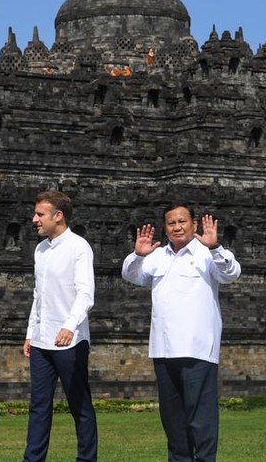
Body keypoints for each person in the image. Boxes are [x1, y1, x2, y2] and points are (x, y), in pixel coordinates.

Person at [122, 204, 241, 462]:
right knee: (174, 423)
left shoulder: (206, 253)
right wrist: (138, 255)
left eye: (182, 221)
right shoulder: (157, 255)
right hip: (164, 350)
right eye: (171, 223)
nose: (177, 227)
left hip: (197, 349)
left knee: (201, 422)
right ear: (165, 228)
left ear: (194, 224)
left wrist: (216, 247)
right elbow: (131, 275)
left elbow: (231, 274)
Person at [23, 190, 98, 462]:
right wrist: (31, 333)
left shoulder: (79, 247)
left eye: (40, 214)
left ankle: (86, 459)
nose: (34, 219)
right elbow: (38, 295)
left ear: (59, 216)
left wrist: (69, 326)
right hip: (42, 341)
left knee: (79, 405)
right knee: (39, 406)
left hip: (71, 340)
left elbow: (85, 293)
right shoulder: (40, 250)